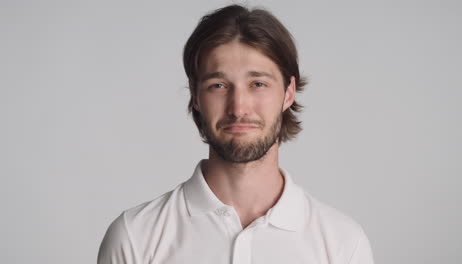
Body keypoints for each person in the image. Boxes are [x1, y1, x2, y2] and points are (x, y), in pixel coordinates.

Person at [98, 4, 374, 264]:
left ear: (288, 92)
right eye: (218, 85)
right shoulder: (135, 237)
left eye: (258, 83)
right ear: (195, 96)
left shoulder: (342, 244)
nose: (239, 107)